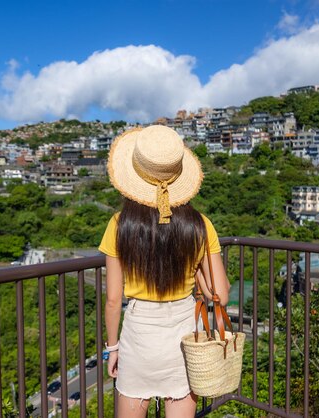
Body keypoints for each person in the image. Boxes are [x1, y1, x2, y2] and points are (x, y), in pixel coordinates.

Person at [98, 125, 230, 417]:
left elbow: (112, 301)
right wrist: (195, 270)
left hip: (139, 336)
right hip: (183, 337)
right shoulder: (200, 225)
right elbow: (220, 293)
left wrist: (112, 348)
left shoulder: (120, 226)